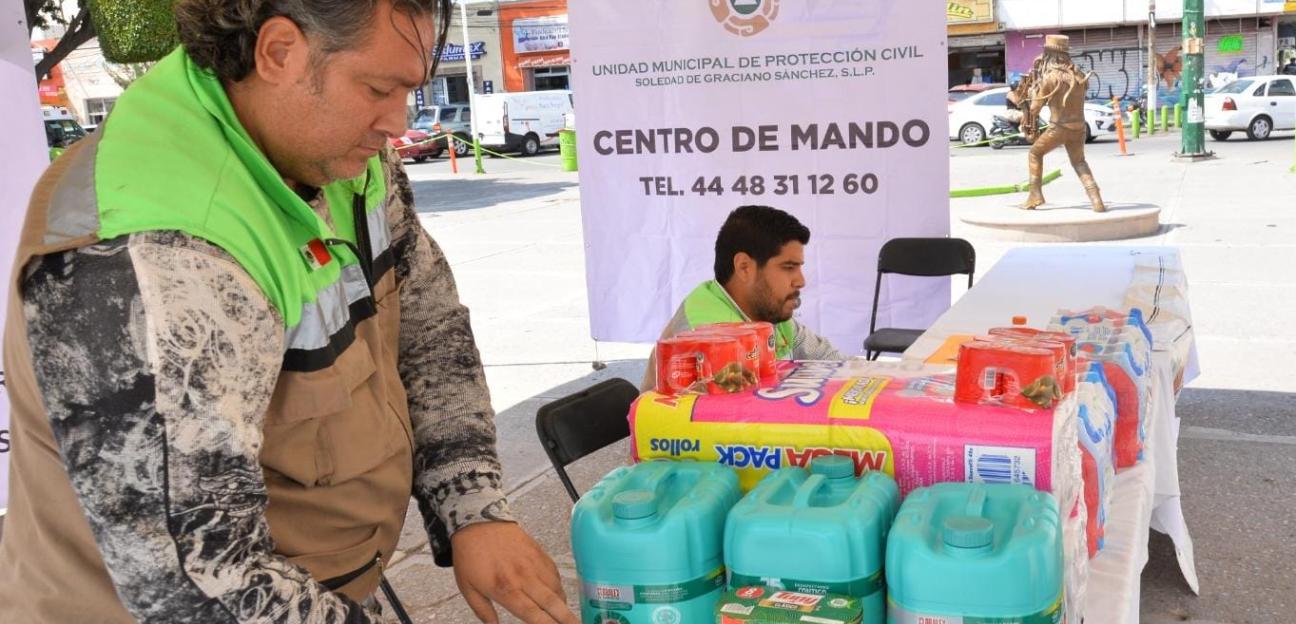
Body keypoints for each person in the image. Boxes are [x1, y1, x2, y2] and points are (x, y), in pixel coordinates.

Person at [0, 1, 576, 623]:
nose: (398, 122)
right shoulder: (150, 251)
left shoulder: (336, 150)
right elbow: (205, 587)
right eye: (379, 88)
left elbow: (428, 331)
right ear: (278, 52)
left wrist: (472, 507)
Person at [642, 205, 844, 390]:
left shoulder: (768, 311)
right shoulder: (701, 338)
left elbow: (837, 364)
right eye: (789, 268)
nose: (800, 281)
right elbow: (740, 422)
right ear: (744, 267)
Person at [1021, 35, 1106, 212]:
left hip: (1058, 128)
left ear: (1049, 54)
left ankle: (1035, 195)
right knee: (1079, 162)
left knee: (1034, 154)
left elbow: (1035, 109)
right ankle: (1096, 200)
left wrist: (1031, 94)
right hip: (1079, 128)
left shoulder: (1050, 78)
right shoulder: (1079, 75)